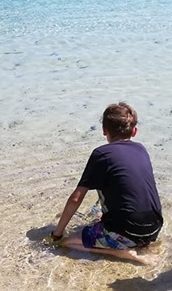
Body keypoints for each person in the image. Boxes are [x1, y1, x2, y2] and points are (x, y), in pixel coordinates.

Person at [49, 102, 163, 265]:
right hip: (153, 229)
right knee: (100, 206)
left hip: (129, 232)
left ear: (104, 130)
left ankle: (121, 252)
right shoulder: (141, 149)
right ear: (135, 131)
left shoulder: (101, 154)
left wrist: (57, 234)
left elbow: (76, 198)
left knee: (68, 242)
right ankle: (125, 238)